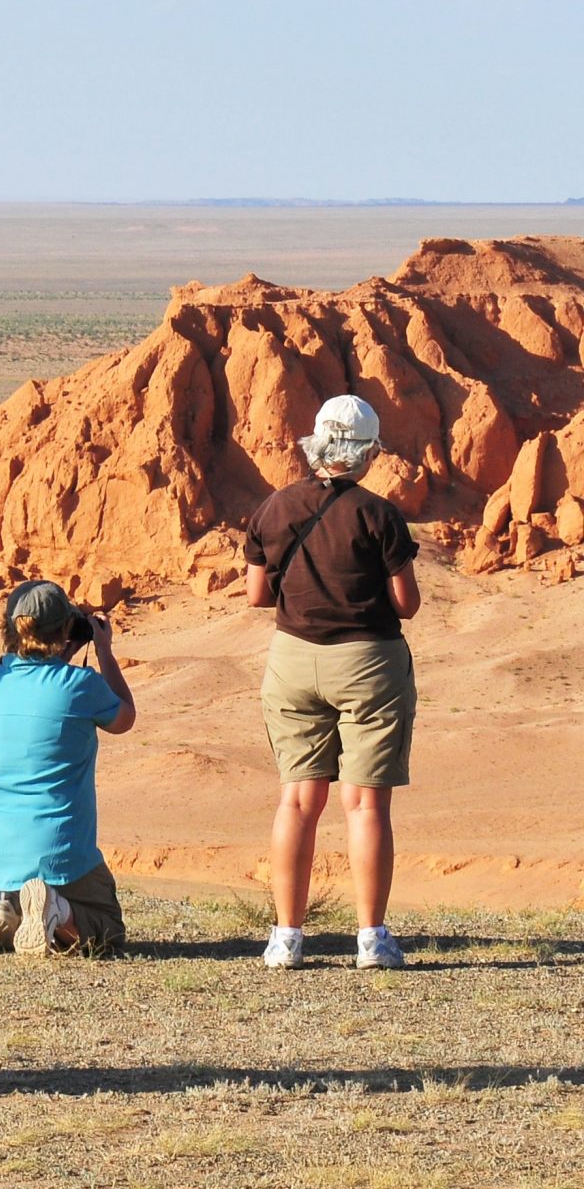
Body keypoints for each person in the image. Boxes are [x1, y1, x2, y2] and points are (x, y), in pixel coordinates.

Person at [244, 394, 420, 971]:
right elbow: (407, 603)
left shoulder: (272, 509)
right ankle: (372, 940)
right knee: (365, 804)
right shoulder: (379, 513)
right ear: (367, 451)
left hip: (292, 661)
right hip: (368, 662)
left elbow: (256, 595)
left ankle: (286, 939)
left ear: (316, 442)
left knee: (298, 799)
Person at [0, 579, 136, 957]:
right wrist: (103, 650)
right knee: (107, 928)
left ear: (9, 628)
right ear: (66, 629)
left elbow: (37, 691)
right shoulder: (81, 685)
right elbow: (125, 717)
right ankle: (57, 908)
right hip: (57, 849)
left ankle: (9, 897)